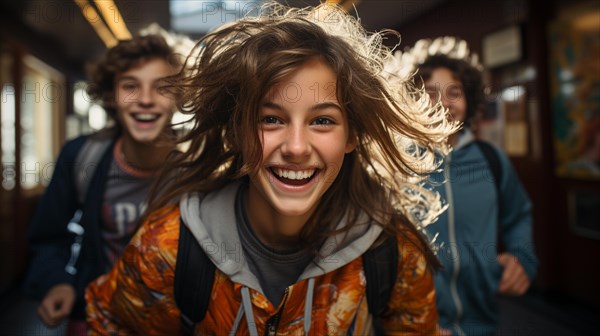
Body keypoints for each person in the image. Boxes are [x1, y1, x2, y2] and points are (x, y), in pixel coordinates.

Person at [85, 3, 458, 335]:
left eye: (323, 121)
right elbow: (111, 321)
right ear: (236, 133)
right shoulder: (166, 247)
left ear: (352, 137)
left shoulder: (391, 250)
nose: (296, 147)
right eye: (270, 119)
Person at [22, 33, 181, 335]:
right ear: (111, 96)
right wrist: (57, 281)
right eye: (130, 86)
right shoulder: (82, 156)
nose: (146, 99)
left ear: (179, 97)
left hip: (171, 323)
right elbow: (48, 236)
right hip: (95, 317)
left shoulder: (195, 168)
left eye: (163, 87)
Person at [396, 37, 538, 335]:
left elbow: (519, 214)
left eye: (455, 92)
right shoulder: (394, 164)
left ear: (469, 99)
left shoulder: (492, 160)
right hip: (416, 325)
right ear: (411, 99)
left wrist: (522, 256)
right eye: (430, 92)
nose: (443, 103)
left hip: (484, 323)